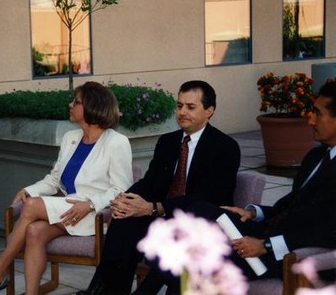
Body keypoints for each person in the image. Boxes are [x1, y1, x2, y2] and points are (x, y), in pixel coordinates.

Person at [142, 80, 336, 293]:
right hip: (265, 232)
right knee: (198, 210)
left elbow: (328, 230)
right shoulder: (316, 156)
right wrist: (254, 212)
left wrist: (266, 245)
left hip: (289, 254)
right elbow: (292, 206)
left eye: (317, 113)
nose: (310, 119)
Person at [0, 81, 134, 295]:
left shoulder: (117, 142)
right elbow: (54, 180)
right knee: (34, 231)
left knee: (32, 207)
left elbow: (122, 188)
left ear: (93, 107)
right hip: (68, 212)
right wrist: (30, 190)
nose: (70, 104)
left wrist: (90, 204)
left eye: (76, 101)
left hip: (93, 215)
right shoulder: (70, 138)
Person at [77, 80, 241, 295]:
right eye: (179, 105)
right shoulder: (168, 141)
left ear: (209, 111)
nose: (182, 112)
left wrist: (155, 208)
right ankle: (106, 291)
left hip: (202, 222)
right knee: (123, 221)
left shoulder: (225, 147)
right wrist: (125, 200)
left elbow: (208, 197)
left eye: (190, 107)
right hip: (164, 215)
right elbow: (150, 182)